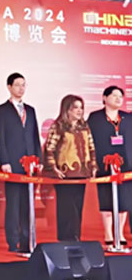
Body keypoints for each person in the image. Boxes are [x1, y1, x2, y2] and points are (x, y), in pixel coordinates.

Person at [0, 73, 41, 254]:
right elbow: (0, 138)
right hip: (12, 163)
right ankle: (13, 241)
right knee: (13, 203)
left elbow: (35, 136)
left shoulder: (31, 110)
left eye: (23, 85)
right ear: (9, 87)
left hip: (30, 164)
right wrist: (4, 160)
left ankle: (27, 239)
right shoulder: (1, 110)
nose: (21, 88)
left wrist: (38, 158)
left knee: (27, 203)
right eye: (17, 85)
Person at [45, 95, 97, 241]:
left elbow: (91, 147)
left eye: (81, 108)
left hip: (82, 173)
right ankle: (65, 239)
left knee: (78, 207)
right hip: (64, 174)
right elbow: (49, 149)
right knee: (66, 208)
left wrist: (93, 166)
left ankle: (76, 238)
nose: (79, 111)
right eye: (75, 107)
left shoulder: (84, 127)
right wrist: (54, 168)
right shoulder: (58, 126)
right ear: (67, 109)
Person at [87, 86, 132, 245]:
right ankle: (108, 233)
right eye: (114, 96)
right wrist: (93, 163)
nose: (118, 99)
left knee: (124, 200)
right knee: (106, 199)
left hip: (126, 165)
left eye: (121, 96)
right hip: (103, 164)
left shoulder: (128, 117)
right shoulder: (95, 118)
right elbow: (89, 141)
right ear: (104, 98)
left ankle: (120, 233)